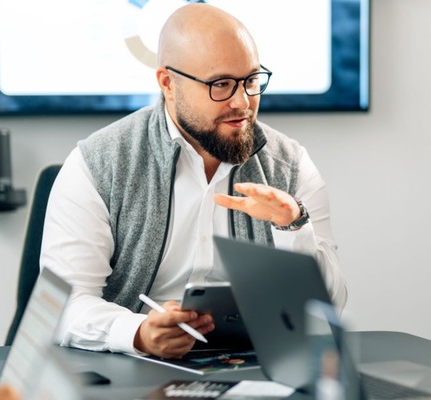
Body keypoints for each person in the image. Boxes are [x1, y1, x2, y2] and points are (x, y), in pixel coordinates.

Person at [40, 3, 347, 360]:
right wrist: (138, 332)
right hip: (131, 366)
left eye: (250, 81)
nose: (242, 102)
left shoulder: (290, 165)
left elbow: (331, 306)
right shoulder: (98, 165)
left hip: (259, 365)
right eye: (221, 84)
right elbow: (59, 305)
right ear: (168, 84)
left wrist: (294, 226)